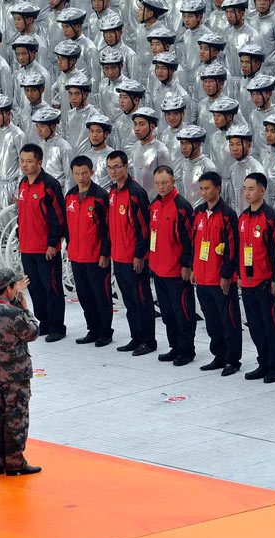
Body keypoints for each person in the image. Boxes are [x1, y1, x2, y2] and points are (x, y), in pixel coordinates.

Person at [0, 269, 43, 475]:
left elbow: (1, 307)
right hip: (16, 375)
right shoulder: (16, 315)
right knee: (16, 418)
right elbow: (33, 332)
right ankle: (15, 463)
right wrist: (25, 309)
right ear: (8, 288)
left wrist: (14, 296)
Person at [192, 171, 242, 376]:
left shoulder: (228, 214)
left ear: (218, 189)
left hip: (220, 279)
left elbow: (232, 247)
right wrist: (193, 268)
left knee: (229, 320)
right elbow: (194, 243)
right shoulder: (199, 212)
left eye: (207, 188)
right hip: (202, 277)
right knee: (211, 320)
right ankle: (219, 355)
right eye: (201, 188)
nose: (204, 192)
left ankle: (232, 359)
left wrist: (226, 275)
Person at [107, 150, 157, 355]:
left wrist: (139, 255)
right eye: (110, 168)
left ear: (126, 167)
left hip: (133, 258)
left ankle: (148, 340)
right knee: (129, 301)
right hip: (118, 256)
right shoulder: (112, 192)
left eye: (117, 167)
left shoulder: (135, 192)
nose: (113, 171)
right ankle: (135, 337)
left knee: (142, 300)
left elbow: (143, 228)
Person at [17, 143, 67, 342]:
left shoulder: (49, 185)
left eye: (29, 161)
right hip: (27, 247)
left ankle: (57, 326)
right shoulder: (23, 183)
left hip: (45, 248)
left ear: (40, 162)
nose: (25, 165)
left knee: (52, 288)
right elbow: (21, 214)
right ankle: (44, 323)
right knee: (35, 288)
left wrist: (53, 244)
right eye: (22, 161)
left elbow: (58, 217)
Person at [239, 172, 275, 382]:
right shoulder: (243, 217)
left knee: (272, 326)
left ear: (262, 191)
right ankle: (263, 362)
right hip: (247, 282)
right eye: (245, 189)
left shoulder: (271, 218)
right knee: (255, 326)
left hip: (266, 282)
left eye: (251, 189)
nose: (247, 193)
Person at [149, 165, 197, 366]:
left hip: (177, 271)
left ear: (173, 182)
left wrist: (187, 265)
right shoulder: (155, 205)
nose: (161, 186)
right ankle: (174, 346)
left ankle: (186, 350)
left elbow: (190, 240)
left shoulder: (181, 206)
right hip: (159, 269)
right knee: (168, 313)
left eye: (165, 183)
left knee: (182, 312)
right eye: (158, 183)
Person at [65, 156, 114, 347]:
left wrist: (104, 253)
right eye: (77, 173)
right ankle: (92, 329)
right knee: (84, 295)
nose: (81, 177)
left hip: (96, 257)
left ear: (92, 172)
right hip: (77, 256)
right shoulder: (69, 196)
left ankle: (105, 332)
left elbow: (107, 228)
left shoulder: (101, 196)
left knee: (101, 295)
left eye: (84, 173)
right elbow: (67, 227)